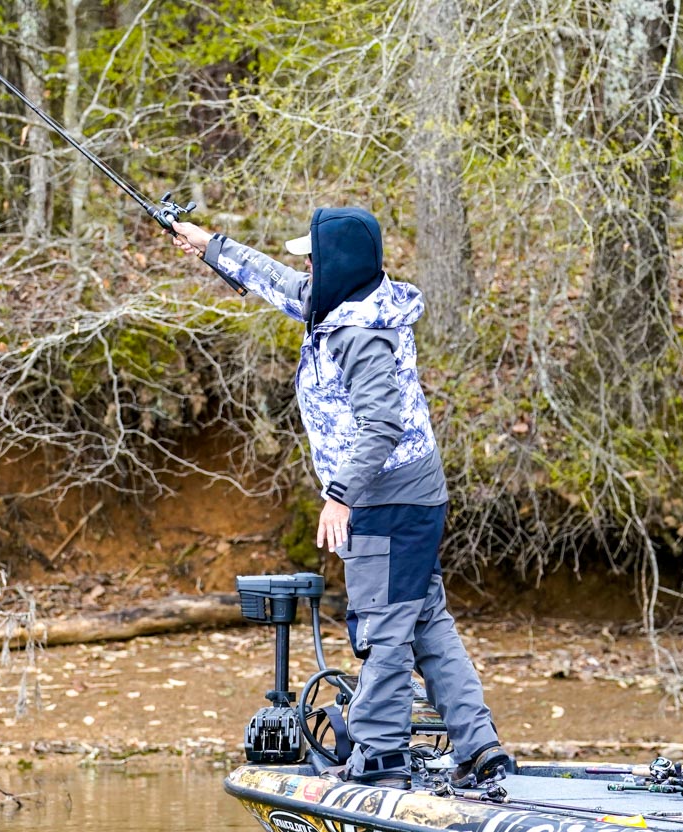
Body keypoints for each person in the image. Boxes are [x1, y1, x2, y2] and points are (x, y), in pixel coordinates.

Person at [170, 208, 510, 789]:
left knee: (383, 628)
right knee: (423, 619)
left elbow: (382, 425)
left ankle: (378, 756)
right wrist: (211, 246)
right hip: (406, 494)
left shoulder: (361, 335)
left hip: (388, 500)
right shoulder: (342, 301)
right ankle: (481, 748)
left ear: (339, 265)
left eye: (314, 257)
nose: (307, 265)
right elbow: (280, 282)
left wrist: (339, 497)